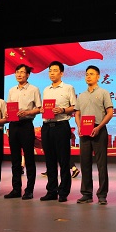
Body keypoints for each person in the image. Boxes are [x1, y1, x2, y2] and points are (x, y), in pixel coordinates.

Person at [74, 65, 113, 205]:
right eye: (86, 74)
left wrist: (99, 127)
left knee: (101, 164)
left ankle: (102, 195)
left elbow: (110, 112)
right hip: (84, 130)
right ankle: (86, 194)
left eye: (91, 74)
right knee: (85, 163)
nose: (88, 76)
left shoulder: (103, 93)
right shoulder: (81, 95)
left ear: (98, 77)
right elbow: (77, 113)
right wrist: (79, 126)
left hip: (99, 129)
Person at [40, 61, 77, 203]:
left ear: (61, 73)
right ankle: (51, 191)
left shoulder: (68, 88)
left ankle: (63, 192)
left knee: (63, 160)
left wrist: (62, 110)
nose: (52, 73)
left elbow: (74, 107)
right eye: (50, 70)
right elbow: (45, 107)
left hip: (61, 126)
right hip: (47, 126)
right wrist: (43, 110)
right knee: (50, 160)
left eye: (55, 70)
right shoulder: (46, 89)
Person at [5, 64, 42, 200]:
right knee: (15, 159)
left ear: (28, 75)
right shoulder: (11, 90)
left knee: (29, 158)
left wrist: (27, 112)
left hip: (26, 125)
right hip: (13, 125)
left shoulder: (34, 89)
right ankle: (16, 189)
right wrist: (8, 114)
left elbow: (39, 108)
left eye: (22, 72)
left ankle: (29, 190)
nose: (19, 74)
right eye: (17, 72)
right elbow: (9, 108)